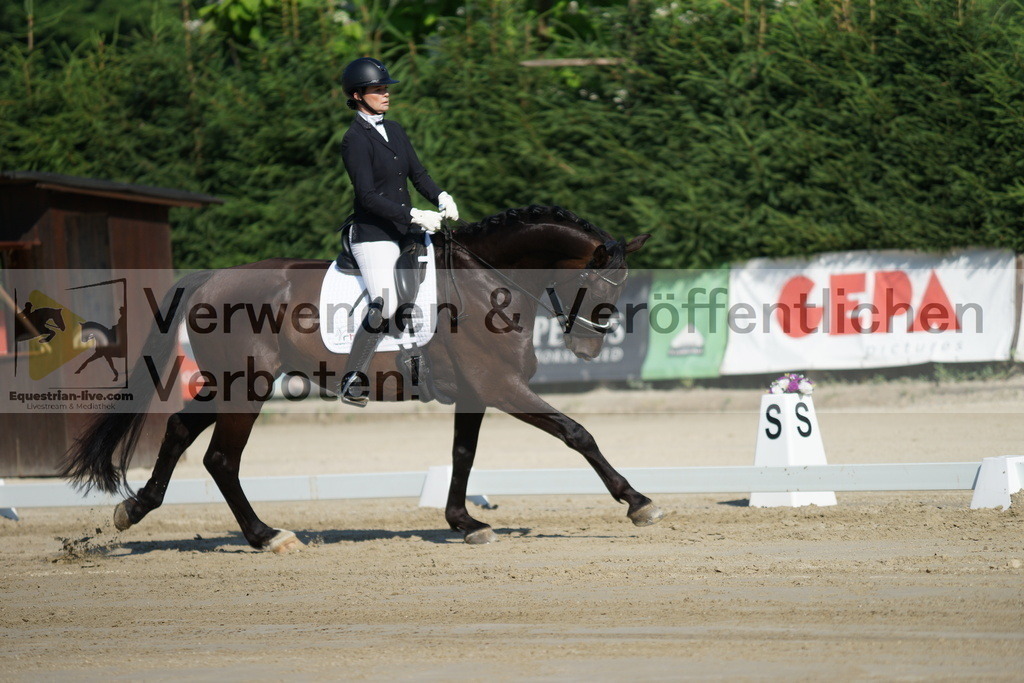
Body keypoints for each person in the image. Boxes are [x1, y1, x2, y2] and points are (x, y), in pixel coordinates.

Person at [338, 57, 459, 406]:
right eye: (378, 89)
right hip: (373, 232)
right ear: (358, 95)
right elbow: (367, 196)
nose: (386, 94)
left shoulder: (395, 130)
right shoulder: (354, 139)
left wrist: (441, 196)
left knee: (435, 284)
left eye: (386, 88)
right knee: (387, 301)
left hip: (405, 229)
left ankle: (425, 366)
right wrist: (414, 214)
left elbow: (418, 175)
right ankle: (352, 377)